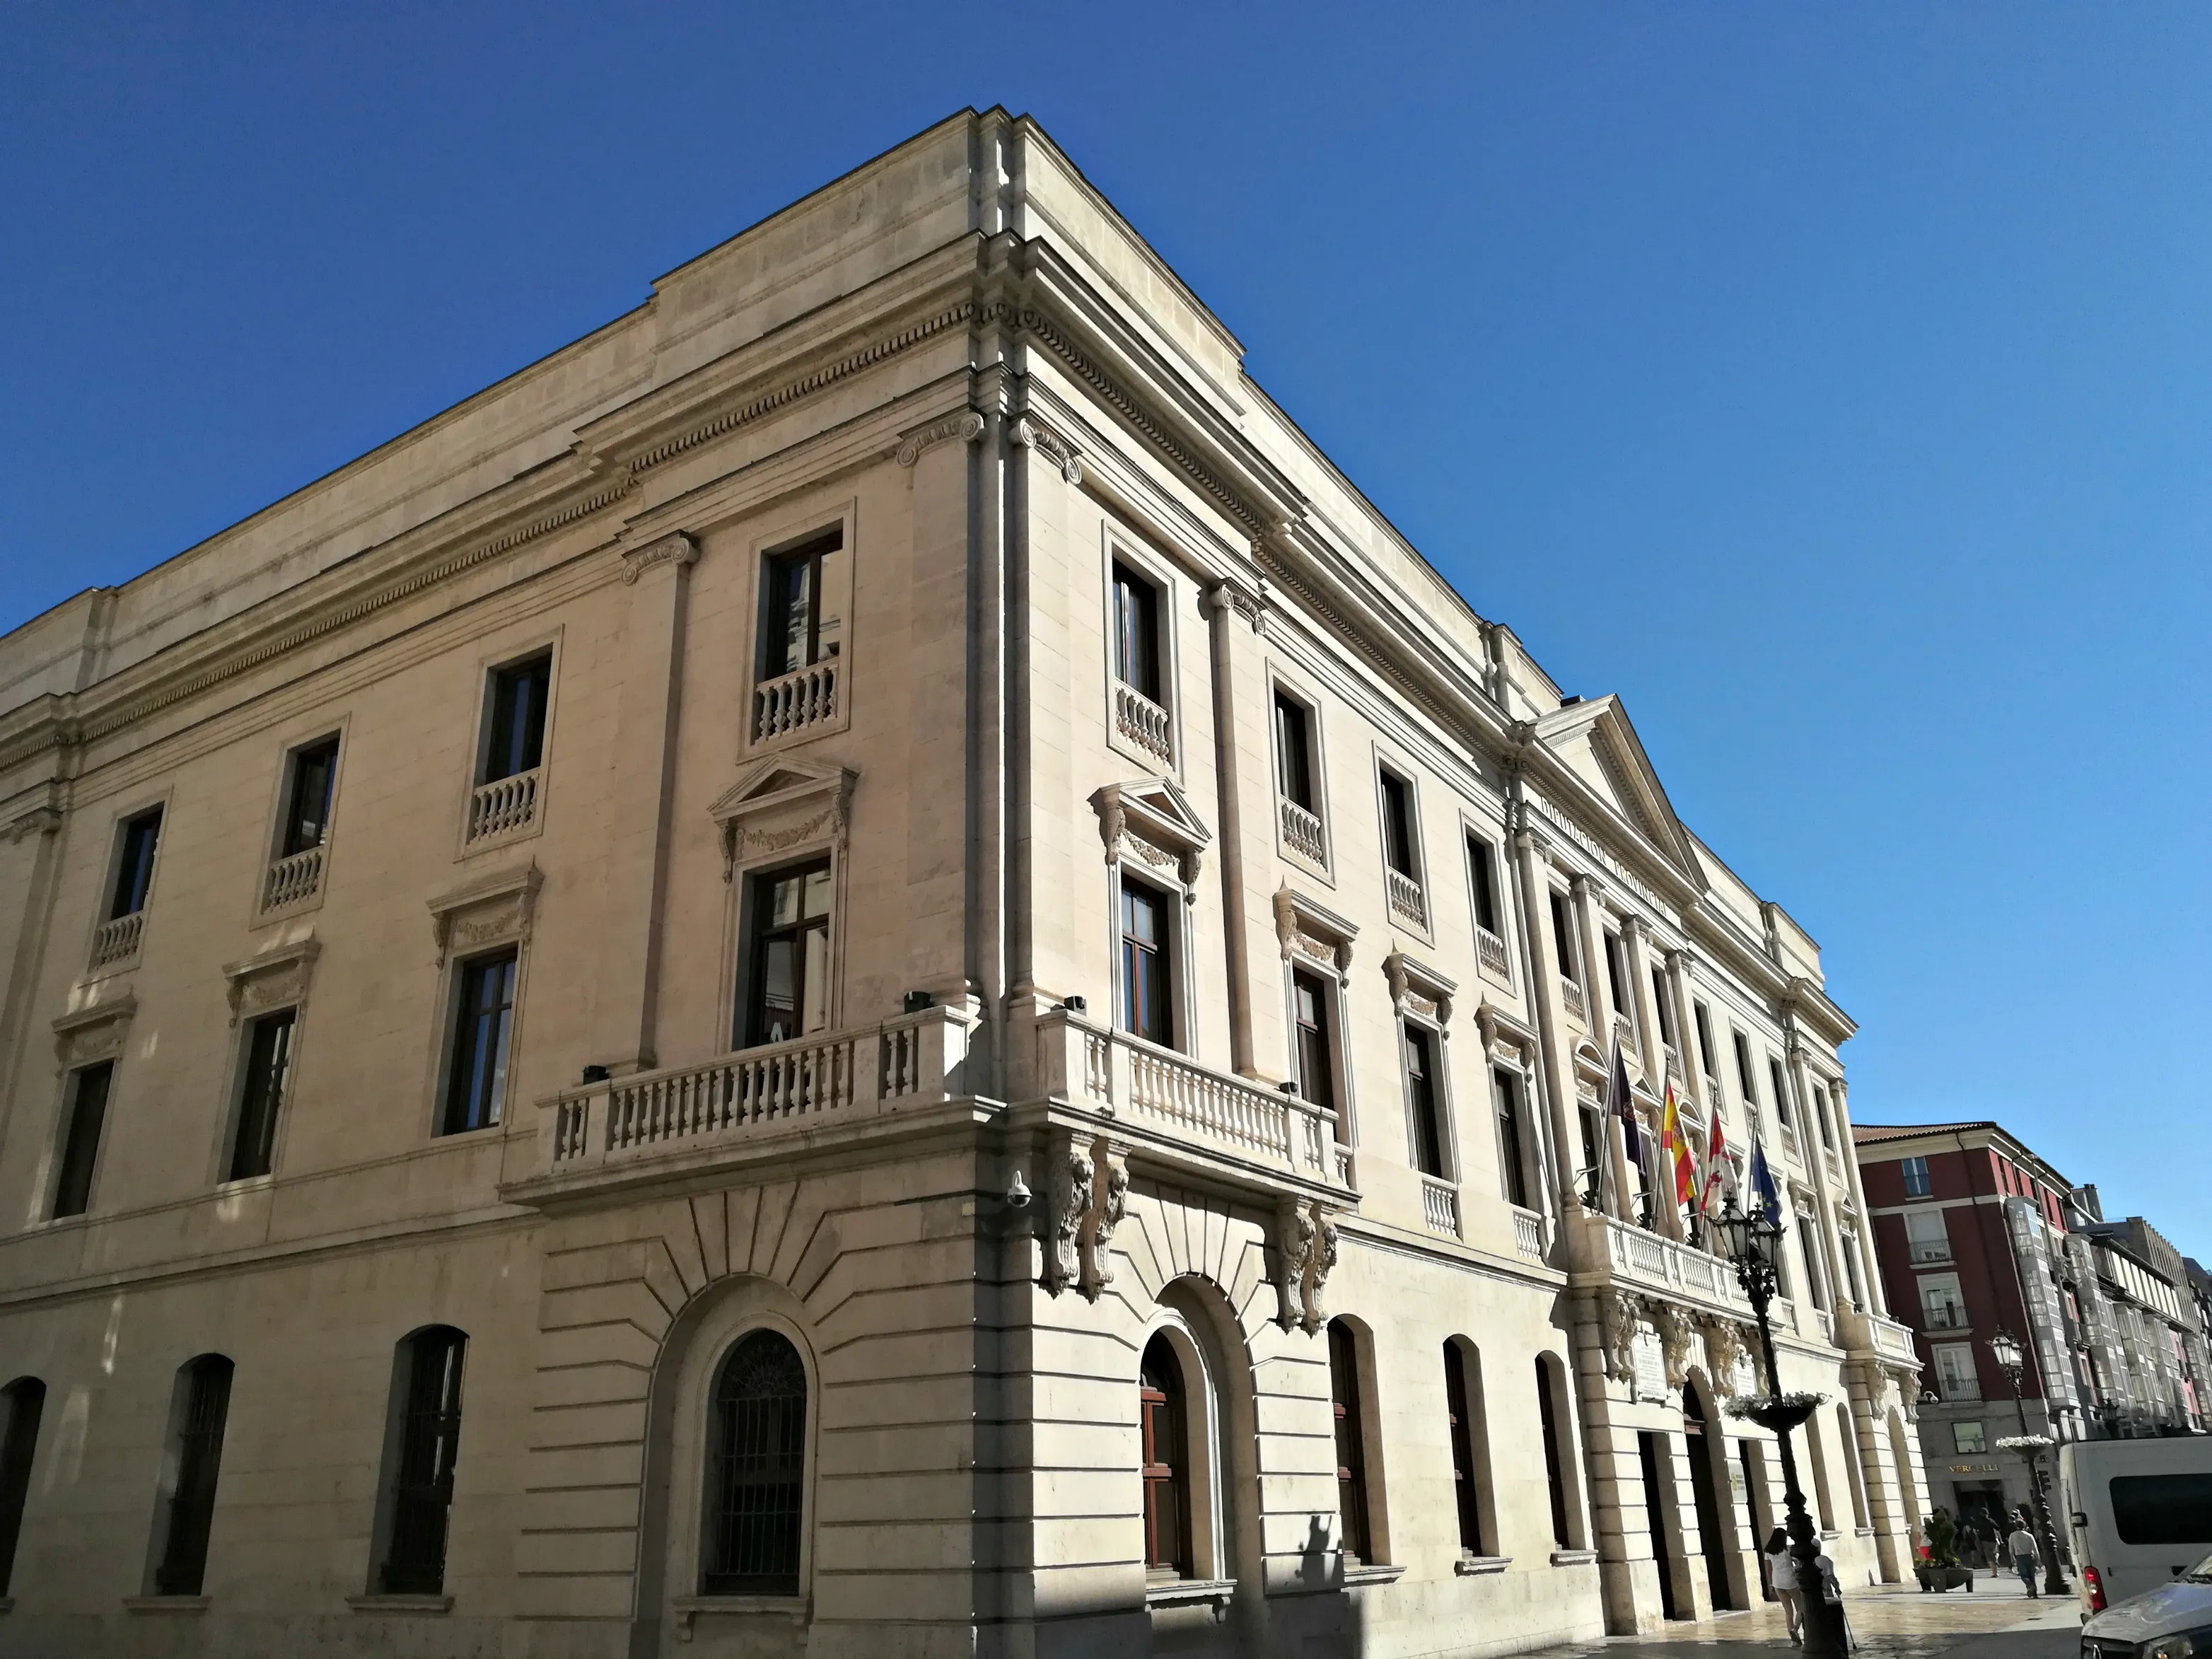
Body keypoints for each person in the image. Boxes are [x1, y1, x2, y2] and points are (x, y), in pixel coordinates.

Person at [1765, 1526, 1803, 1643]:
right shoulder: (1788, 1550)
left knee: (1788, 1611)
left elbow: (1768, 1569)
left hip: (1777, 1582)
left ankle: (1793, 1636)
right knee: (1801, 1608)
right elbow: (1798, 1562)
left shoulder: (1768, 1551)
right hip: (1790, 1580)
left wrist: (1771, 1583)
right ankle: (1795, 1629)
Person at [2007, 1513, 2042, 1598]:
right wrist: (2038, 1560)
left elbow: (2011, 1548)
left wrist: (2012, 1557)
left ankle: (2030, 1586)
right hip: (2030, 1556)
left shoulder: (2013, 1535)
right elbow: (2035, 1548)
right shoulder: (2029, 1536)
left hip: (2020, 1557)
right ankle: (2034, 1593)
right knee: (2032, 1576)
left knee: (2024, 1575)